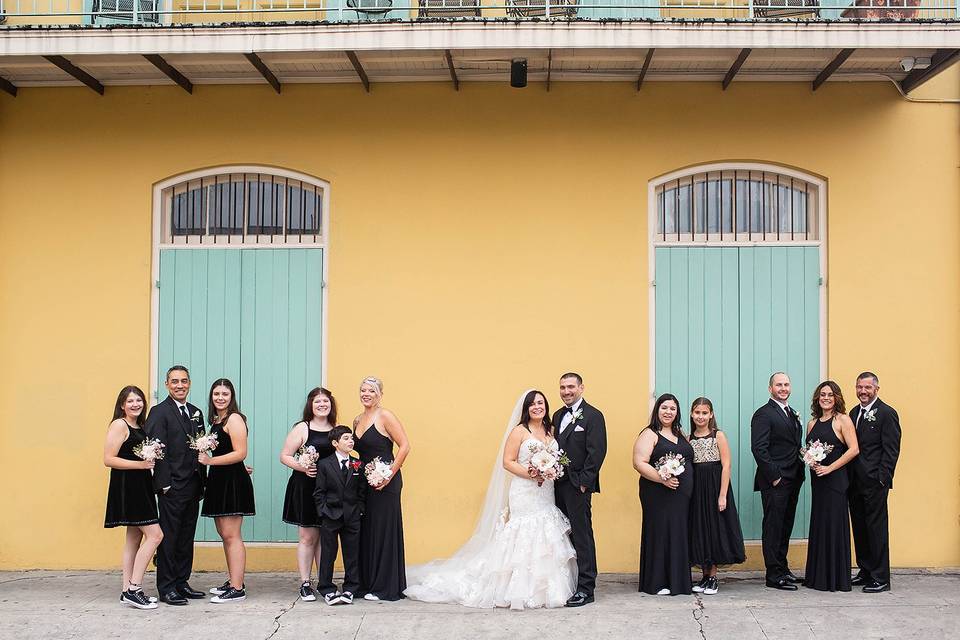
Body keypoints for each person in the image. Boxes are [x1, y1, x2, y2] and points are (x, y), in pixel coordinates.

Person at [404, 390, 577, 609]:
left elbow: (557, 458)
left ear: (546, 405)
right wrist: (532, 473)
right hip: (525, 491)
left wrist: (552, 469)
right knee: (523, 534)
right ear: (526, 408)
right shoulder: (519, 431)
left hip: (545, 492)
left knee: (545, 534)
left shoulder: (551, 430)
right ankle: (515, 590)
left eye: (540, 403)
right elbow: (508, 462)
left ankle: (546, 590)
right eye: (532, 404)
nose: (537, 407)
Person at [144, 365, 207, 606]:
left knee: (186, 536)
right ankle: (167, 586)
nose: (180, 385)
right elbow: (156, 449)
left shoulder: (196, 412)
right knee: (169, 537)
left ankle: (182, 581)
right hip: (172, 487)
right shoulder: (159, 412)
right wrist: (164, 485)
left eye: (184, 381)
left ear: (189, 383)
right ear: (167, 384)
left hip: (193, 485)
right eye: (174, 381)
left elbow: (200, 447)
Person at [103, 385, 163, 610]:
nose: (135, 404)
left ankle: (125, 589)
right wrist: (140, 465)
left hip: (141, 484)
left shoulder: (139, 425)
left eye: (139, 400)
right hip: (129, 486)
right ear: (122, 405)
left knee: (133, 539)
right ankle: (134, 588)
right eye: (130, 401)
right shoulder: (119, 425)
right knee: (156, 536)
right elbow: (108, 459)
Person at [352, 376, 410, 601]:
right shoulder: (357, 420)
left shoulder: (385, 416)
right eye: (363, 390)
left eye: (371, 391)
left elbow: (405, 446)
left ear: (380, 395)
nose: (367, 394)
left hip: (386, 481)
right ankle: (366, 582)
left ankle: (384, 586)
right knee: (366, 531)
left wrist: (389, 474)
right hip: (365, 482)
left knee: (383, 531)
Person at [551, 372, 607, 607]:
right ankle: (567, 582)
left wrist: (584, 482)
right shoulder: (556, 415)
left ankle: (586, 588)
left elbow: (597, 452)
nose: (566, 391)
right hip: (555, 484)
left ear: (581, 388)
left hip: (577, 487)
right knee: (562, 534)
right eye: (563, 387)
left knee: (582, 534)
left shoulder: (593, 416)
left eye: (571, 386)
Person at [199, 378, 255, 603]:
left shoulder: (234, 419)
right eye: (216, 394)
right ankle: (233, 579)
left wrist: (210, 461)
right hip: (219, 480)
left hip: (231, 482)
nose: (220, 398)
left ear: (232, 397)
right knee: (225, 535)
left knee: (232, 535)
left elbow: (241, 453)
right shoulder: (216, 420)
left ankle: (238, 587)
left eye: (225, 394)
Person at [633, 393, 695, 596]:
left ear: (677, 412)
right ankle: (657, 582)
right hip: (658, 494)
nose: (668, 412)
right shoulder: (650, 433)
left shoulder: (680, 433)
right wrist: (662, 479)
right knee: (660, 532)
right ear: (657, 410)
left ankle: (677, 581)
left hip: (681, 496)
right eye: (664, 408)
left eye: (673, 408)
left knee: (678, 533)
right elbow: (639, 462)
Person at [280, 387, 337, 601]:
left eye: (325, 401)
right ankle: (305, 582)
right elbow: (284, 455)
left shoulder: (335, 429)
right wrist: (302, 467)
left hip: (329, 490)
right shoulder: (302, 428)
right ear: (310, 406)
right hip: (305, 487)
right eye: (317, 402)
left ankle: (324, 582)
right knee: (307, 537)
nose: (322, 405)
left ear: (331, 404)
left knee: (325, 536)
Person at [750, 372, 805, 591]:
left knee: (785, 525)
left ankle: (783, 568)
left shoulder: (791, 413)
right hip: (776, 480)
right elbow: (759, 449)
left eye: (786, 384)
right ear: (770, 388)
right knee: (773, 526)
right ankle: (773, 574)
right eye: (778, 385)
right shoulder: (763, 414)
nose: (783, 388)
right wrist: (775, 477)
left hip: (794, 478)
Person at [803, 381, 859, 592]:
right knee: (820, 523)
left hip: (835, 481)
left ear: (837, 398)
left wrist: (829, 468)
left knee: (834, 524)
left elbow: (853, 449)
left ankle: (835, 578)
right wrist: (810, 460)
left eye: (830, 394)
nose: (826, 398)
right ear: (817, 398)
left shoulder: (842, 420)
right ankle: (818, 577)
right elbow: (809, 450)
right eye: (822, 394)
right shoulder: (812, 423)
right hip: (818, 481)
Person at [848, 372, 901, 593]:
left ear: (876, 389)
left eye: (867, 388)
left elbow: (891, 450)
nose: (863, 391)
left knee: (876, 529)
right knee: (860, 528)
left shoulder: (887, 413)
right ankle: (866, 571)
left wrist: (882, 478)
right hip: (854, 483)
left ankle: (881, 577)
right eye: (860, 387)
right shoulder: (853, 412)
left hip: (875, 483)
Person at [687, 397, 745, 595]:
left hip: (715, 487)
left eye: (704, 413)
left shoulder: (718, 435)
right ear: (691, 414)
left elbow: (726, 465)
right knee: (700, 529)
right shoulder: (689, 438)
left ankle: (713, 577)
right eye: (697, 412)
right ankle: (704, 576)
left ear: (711, 414)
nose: (700, 416)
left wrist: (722, 495)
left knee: (714, 529)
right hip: (697, 490)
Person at [313, 426, 367, 606]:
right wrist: (323, 511)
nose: (350, 441)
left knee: (352, 553)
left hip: (352, 516)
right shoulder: (324, 464)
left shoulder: (357, 463)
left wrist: (360, 509)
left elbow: (361, 491)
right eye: (346, 438)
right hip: (331, 515)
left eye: (351, 438)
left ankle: (351, 588)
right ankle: (327, 588)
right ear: (335, 443)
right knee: (328, 553)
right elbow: (319, 492)